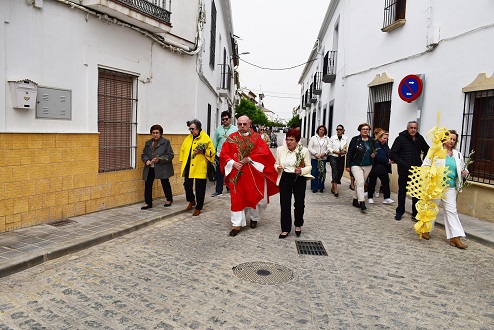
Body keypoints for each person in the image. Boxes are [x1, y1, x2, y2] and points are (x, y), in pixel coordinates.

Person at [220, 115, 279, 237]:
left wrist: (249, 159)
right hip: (237, 174)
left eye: (244, 124)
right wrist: (232, 163)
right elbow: (224, 154)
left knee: (254, 197)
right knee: (237, 198)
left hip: (253, 174)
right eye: (240, 124)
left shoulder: (256, 138)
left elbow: (264, 153)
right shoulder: (232, 138)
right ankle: (236, 225)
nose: (242, 126)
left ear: (249, 124)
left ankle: (254, 217)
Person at [421, 130, 468, 248]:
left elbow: (463, 169)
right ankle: (425, 229)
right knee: (432, 208)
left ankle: (455, 237)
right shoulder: (436, 151)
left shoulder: (457, 154)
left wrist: (464, 173)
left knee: (452, 211)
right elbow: (425, 166)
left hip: (450, 187)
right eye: (450, 138)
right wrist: (430, 172)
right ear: (444, 138)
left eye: (454, 139)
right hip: (436, 185)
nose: (451, 141)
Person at [275, 129, 313, 238]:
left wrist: (301, 170)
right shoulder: (280, 150)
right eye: (287, 139)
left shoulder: (303, 151)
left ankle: (298, 224)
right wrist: (277, 167)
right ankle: (285, 228)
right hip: (285, 176)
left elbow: (309, 166)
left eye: (292, 140)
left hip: (299, 178)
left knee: (299, 203)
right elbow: (276, 163)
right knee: (285, 203)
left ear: (297, 141)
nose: (289, 142)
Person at [390, 121, 430, 221]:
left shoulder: (419, 138)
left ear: (417, 129)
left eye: (415, 128)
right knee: (402, 191)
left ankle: (415, 213)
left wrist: (424, 162)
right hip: (404, 170)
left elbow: (427, 150)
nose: (413, 130)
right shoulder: (400, 139)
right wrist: (403, 163)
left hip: (417, 170)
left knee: (416, 193)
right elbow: (393, 154)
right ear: (408, 128)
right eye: (411, 128)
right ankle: (400, 212)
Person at [179, 119, 216, 216]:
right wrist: (182, 161)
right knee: (187, 185)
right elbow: (183, 150)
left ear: (198, 128)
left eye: (193, 129)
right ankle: (191, 200)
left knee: (200, 188)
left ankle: (199, 207)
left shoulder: (205, 138)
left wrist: (203, 152)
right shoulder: (188, 138)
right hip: (188, 166)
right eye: (190, 129)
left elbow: (212, 152)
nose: (191, 131)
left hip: (200, 166)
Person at [141, 125, 175, 210]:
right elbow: (143, 154)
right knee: (148, 184)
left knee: (165, 182)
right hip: (150, 167)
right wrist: (146, 160)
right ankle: (148, 202)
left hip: (161, 167)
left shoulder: (166, 142)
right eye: (153, 133)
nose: (155, 135)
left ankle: (169, 199)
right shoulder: (148, 143)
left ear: (160, 133)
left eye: (157, 133)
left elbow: (170, 155)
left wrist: (159, 159)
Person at [346, 123, 375, 212]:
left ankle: (355, 199)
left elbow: (374, 151)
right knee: (361, 182)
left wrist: (374, 155)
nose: (365, 130)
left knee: (359, 184)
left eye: (367, 129)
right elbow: (350, 152)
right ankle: (362, 202)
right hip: (356, 164)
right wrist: (347, 165)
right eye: (363, 129)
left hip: (368, 164)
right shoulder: (355, 139)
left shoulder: (371, 140)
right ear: (360, 130)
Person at [211, 111, 238, 197]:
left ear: (230, 119)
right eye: (223, 119)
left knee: (230, 171)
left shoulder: (235, 129)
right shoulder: (218, 129)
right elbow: (214, 142)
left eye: (226, 119)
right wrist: (213, 154)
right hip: (220, 155)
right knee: (219, 173)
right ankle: (218, 191)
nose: (225, 121)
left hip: (231, 155)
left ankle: (229, 188)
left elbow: (238, 142)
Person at [366, 130, 394, 205]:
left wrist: (391, 159)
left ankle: (387, 198)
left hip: (384, 167)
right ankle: (370, 197)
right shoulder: (375, 145)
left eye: (387, 138)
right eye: (385, 138)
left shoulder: (386, 146)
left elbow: (388, 154)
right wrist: (387, 160)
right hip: (375, 166)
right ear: (380, 137)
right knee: (372, 182)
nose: (386, 140)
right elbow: (376, 156)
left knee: (386, 182)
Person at [327, 124, 349, 197]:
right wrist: (334, 151)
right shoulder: (332, 138)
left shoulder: (346, 138)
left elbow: (346, 147)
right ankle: (335, 189)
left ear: (343, 131)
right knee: (335, 171)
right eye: (337, 129)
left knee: (340, 172)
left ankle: (333, 185)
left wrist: (345, 151)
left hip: (341, 157)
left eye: (340, 129)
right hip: (333, 156)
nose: (338, 131)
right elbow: (328, 147)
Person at [308, 125, 329, 193]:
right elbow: (309, 147)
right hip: (314, 158)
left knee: (322, 172)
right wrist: (315, 153)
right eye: (320, 129)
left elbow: (329, 148)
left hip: (323, 158)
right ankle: (314, 187)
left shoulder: (327, 139)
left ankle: (321, 187)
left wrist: (325, 153)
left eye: (323, 130)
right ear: (318, 130)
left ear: (324, 131)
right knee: (314, 172)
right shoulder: (313, 138)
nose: (321, 131)